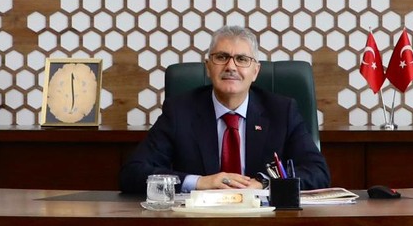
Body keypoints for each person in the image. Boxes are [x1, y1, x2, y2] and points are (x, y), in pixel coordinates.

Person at [119, 25, 329, 195]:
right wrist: (199, 182)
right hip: (198, 223)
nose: (231, 66)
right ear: (208, 67)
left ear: (255, 71)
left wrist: (264, 184)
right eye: (221, 57)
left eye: (242, 59)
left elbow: (318, 172)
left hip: (266, 223)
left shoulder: (282, 111)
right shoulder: (179, 111)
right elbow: (133, 173)